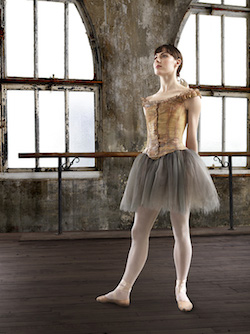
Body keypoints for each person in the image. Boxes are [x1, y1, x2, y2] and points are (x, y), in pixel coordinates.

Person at [96, 44, 219, 312]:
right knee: (138, 230)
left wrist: (191, 171)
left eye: (163, 56)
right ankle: (123, 289)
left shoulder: (189, 96)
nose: (157, 60)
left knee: (180, 229)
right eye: (155, 56)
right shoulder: (150, 100)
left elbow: (192, 140)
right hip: (149, 163)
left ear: (177, 62)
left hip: (177, 162)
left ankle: (181, 289)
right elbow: (152, 136)